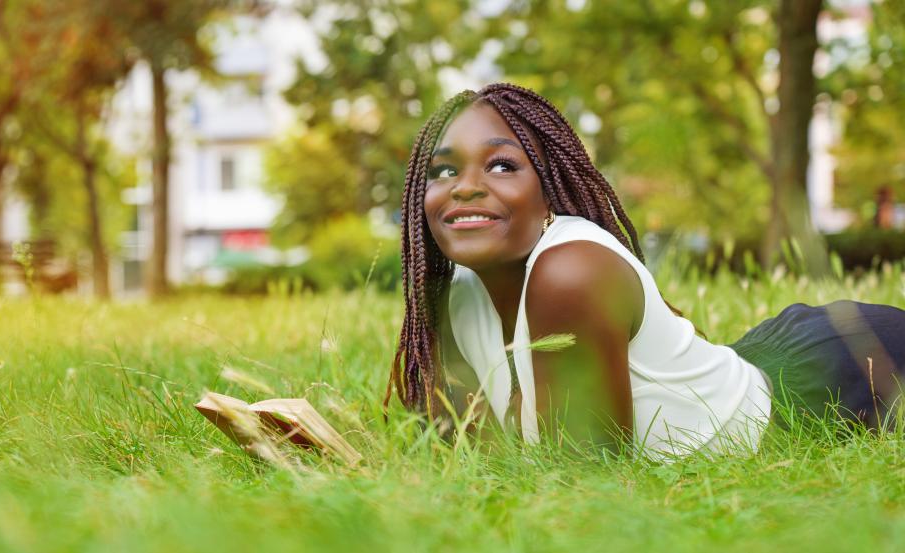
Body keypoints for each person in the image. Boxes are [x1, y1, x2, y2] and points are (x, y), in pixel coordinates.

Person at [385, 82, 905, 459]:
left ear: (549, 192)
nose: (465, 186)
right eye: (444, 170)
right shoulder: (455, 295)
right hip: (759, 354)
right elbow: (464, 452)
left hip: (836, 376)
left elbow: (584, 477)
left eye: (502, 165)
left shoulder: (572, 272)